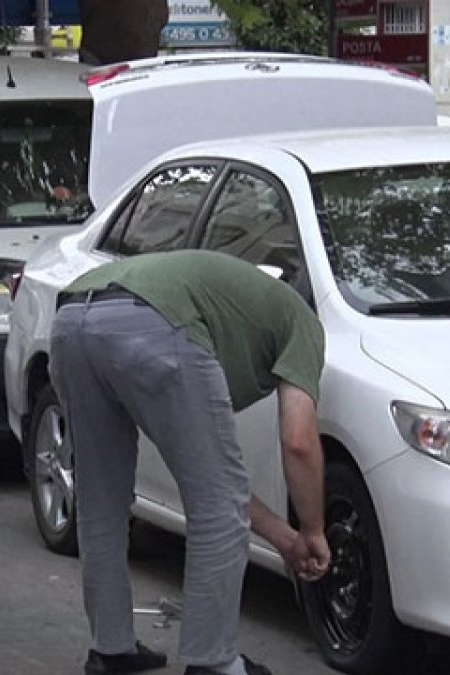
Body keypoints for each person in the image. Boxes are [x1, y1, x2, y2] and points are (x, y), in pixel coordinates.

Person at [48, 250, 332, 675]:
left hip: (72, 319)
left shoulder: (241, 308)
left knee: (101, 501)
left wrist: (288, 543)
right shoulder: (304, 323)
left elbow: (217, 480)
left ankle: (112, 650)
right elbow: (298, 442)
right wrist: (313, 529)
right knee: (217, 508)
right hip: (154, 320)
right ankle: (213, 662)